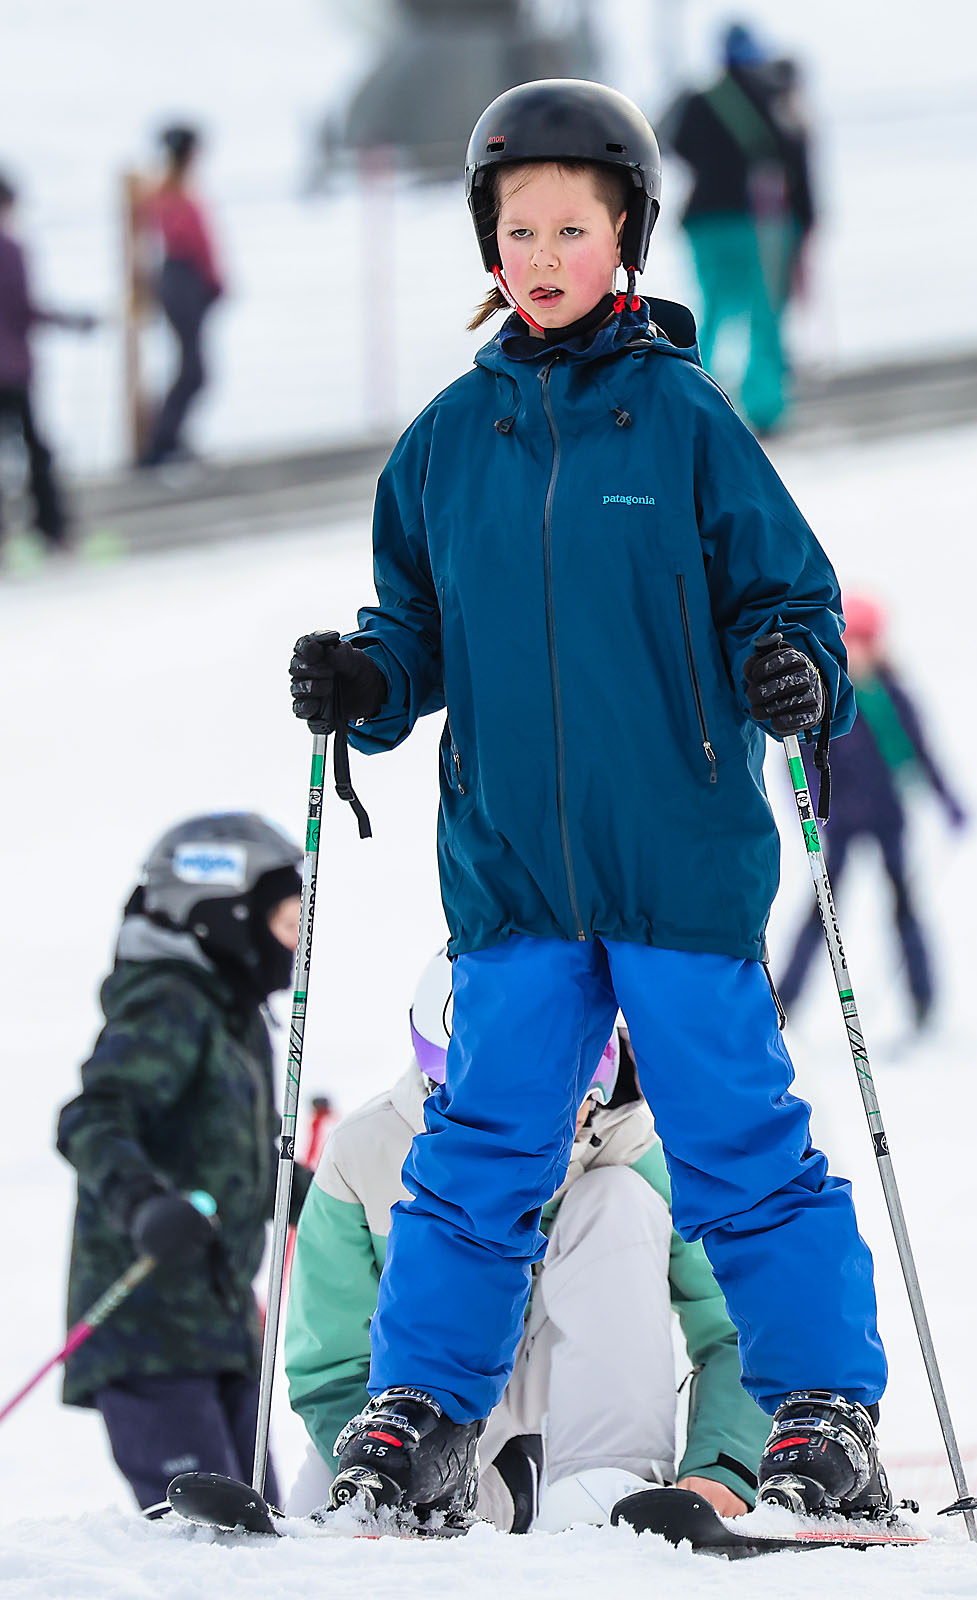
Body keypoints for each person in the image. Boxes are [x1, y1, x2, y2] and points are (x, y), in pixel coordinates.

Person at [288, 78, 890, 1533]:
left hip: (676, 860)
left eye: (572, 225)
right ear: (487, 249)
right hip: (510, 876)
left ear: (625, 234)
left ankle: (820, 1407)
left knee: (731, 1134)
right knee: (479, 1146)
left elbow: (789, 601)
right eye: (517, 229)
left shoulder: (681, 420)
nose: (543, 253)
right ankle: (423, 1406)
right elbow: (414, 632)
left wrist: (791, 669)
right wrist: (365, 681)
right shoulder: (441, 446)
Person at [284, 951, 770, 1530]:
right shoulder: (367, 1153)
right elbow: (331, 1362)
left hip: (565, 1403)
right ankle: (450, 1493)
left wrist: (721, 1463)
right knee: (330, 1517)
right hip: (416, 1414)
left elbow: (732, 1324)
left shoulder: (643, 1153)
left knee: (615, 1200)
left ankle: (606, 1485)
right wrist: (373, 1465)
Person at [56, 813, 312, 1511]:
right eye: (287, 925)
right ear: (225, 916)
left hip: (223, 1323)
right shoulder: (169, 1001)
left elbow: (225, 1157)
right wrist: (144, 1203)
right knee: (208, 1541)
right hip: (151, 1324)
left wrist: (302, 1193)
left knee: (258, 1533)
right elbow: (93, 1117)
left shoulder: (234, 1016)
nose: (295, 948)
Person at [776, 594, 968, 1029]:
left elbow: (919, 753)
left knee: (904, 907)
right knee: (822, 911)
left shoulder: (892, 696)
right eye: (852, 641)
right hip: (841, 822)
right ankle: (784, 1000)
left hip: (887, 818)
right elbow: (803, 761)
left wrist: (948, 801)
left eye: (867, 640)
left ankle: (923, 1002)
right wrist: (810, 812)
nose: (860, 651)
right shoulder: (826, 696)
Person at [664, 24, 815, 435]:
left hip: (703, 222)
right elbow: (793, 157)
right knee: (764, 313)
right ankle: (765, 407)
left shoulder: (699, 100)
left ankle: (697, 400)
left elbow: (675, 144)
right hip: (758, 224)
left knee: (713, 311)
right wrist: (808, 221)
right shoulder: (772, 98)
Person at [0, 169, 95, 558]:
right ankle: (52, 532)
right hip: (11, 370)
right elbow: (26, 309)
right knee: (36, 451)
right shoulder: (11, 250)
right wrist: (73, 321)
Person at [134, 125, 224, 469]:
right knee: (193, 368)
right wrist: (212, 279)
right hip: (182, 279)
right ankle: (161, 442)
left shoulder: (174, 192)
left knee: (192, 367)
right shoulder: (170, 194)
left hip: (187, 281)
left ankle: (169, 439)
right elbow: (190, 243)